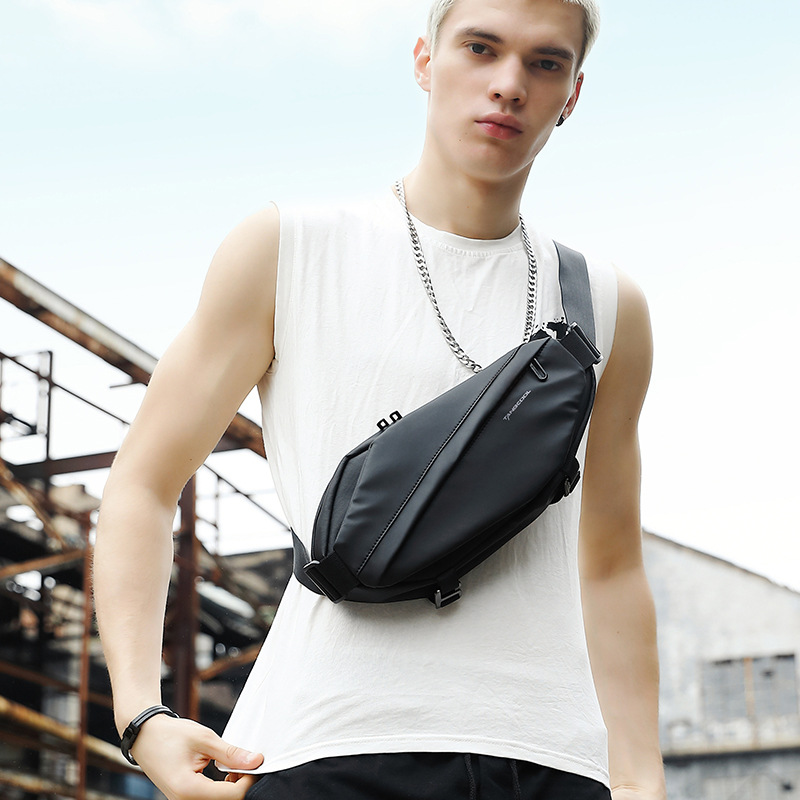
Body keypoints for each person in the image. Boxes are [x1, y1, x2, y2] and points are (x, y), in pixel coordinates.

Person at [94, 0, 667, 798]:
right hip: (329, 743)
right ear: (425, 61)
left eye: (545, 63)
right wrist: (140, 714)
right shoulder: (289, 249)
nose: (508, 84)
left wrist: (640, 776)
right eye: (481, 48)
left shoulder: (606, 304)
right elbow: (144, 483)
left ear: (572, 94)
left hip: (549, 758)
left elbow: (611, 566)